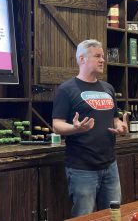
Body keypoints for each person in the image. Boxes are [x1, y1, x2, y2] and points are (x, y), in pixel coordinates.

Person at [52, 39, 128, 217]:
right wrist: (75, 128)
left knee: (113, 216)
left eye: (103, 56)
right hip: (82, 169)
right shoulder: (66, 89)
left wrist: (120, 126)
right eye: (97, 56)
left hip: (110, 165)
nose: (103, 60)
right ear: (82, 59)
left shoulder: (108, 88)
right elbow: (56, 125)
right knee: (84, 217)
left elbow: (114, 118)